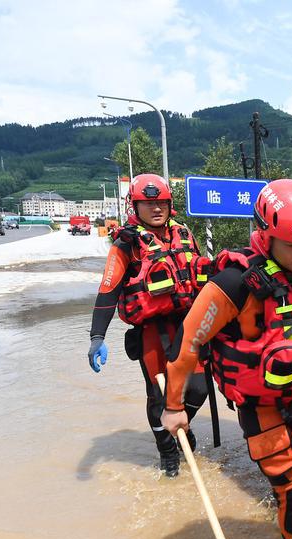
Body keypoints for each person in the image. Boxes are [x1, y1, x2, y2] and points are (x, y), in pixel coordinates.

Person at [160, 179, 292, 539]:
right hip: (262, 407)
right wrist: (173, 407)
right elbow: (187, 344)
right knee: (291, 493)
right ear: (264, 233)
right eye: (291, 244)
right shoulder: (233, 282)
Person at [87, 173, 209, 477]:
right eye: (148, 203)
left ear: (170, 204)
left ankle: (180, 424)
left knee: (199, 388)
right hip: (152, 331)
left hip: (187, 323)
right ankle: (167, 450)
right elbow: (108, 289)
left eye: (161, 203)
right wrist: (96, 336)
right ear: (135, 206)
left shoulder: (184, 233)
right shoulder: (126, 244)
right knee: (158, 394)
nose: (156, 208)